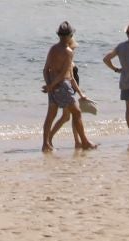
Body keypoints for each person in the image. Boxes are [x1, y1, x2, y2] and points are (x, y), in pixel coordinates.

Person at [41, 23, 96, 152]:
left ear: (58, 35)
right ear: (71, 35)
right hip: (63, 86)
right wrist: (52, 85)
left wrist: (49, 85)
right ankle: (84, 141)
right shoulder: (68, 51)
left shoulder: (52, 49)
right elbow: (63, 74)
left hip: (53, 85)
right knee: (76, 113)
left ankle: (45, 144)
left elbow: (45, 69)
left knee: (51, 115)